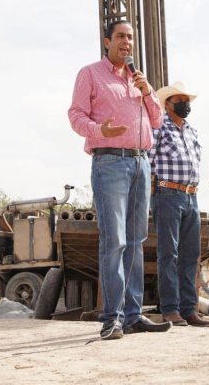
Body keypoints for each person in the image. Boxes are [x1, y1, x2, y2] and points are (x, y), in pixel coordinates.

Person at [68, 20, 171, 340]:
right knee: (115, 241)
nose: (127, 42)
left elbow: (157, 120)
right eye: (121, 37)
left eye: (130, 38)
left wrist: (147, 90)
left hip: (141, 164)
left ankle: (133, 315)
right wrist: (101, 131)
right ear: (107, 41)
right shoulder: (90, 74)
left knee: (136, 241)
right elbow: (75, 115)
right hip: (109, 162)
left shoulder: (139, 79)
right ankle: (110, 318)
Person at [149, 81, 209, 327]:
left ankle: (189, 309)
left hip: (191, 196)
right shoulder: (158, 127)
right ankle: (170, 309)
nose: (185, 105)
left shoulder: (192, 131)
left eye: (187, 100)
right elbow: (148, 160)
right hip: (167, 194)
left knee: (190, 255)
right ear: (167, 104)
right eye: (179, 100)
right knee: (169, 253)